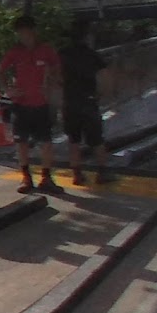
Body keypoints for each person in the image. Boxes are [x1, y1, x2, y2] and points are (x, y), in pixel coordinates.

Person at [0, 15, 64, 194]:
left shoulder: (45, 50)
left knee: (46, 142)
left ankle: (46, 177)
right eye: (20, 33)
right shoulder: (15, 52)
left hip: (40, 103)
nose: (23, 36)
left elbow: (56, 68)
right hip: (21, 103)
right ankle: (26, 177)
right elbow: (0, 70)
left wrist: (51, 84)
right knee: (21, 142)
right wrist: (8, 89)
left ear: (33, 32)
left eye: (26, 32)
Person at [57, 20, 108, 190]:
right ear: (86, 37)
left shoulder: (62, 54)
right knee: (97, 140)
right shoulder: (92, 55)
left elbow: (55, 76)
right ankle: (102, 172)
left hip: (70, 101)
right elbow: (103, 77)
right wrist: (100, 94)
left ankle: (77, 174)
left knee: (74, 140)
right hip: (88, 100)